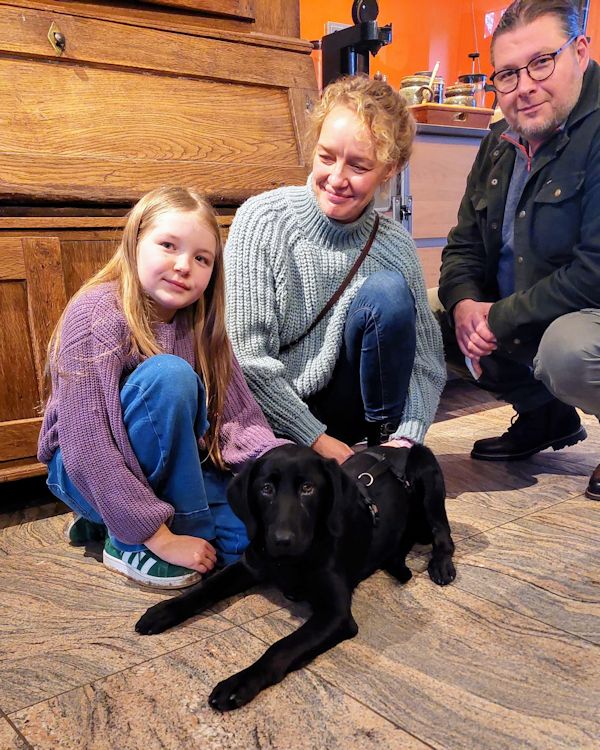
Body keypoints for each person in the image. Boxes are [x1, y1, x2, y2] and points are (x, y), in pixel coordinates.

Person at [38, 187, 288, 589]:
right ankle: (125, 537)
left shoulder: (204, 326)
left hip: (167, 466)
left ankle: (112, 518)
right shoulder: (96, 314)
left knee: (246, 541)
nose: (184, 265)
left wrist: (285, 465)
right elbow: (87, 445)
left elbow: (239, 421)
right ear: (134, 243)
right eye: (168, 245)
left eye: (202, 258)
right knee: (170, 376)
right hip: (82, 469)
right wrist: (159, 537)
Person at [224, 75, 446, 463]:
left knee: (389, 292)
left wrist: (407, 439)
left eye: (358, 166)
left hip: (350, 410)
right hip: (273, 413)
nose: (337, 179)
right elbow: (247, 359)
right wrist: (314, 438)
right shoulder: (261, 219)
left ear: (390, 169)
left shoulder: (395, 244)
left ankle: (382, 451)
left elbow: (426, 360)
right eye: (326, 157)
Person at [437, 0, 600, 501]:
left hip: (586, 314)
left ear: (580, 51)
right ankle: (544, 415)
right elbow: (462, 245)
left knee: (569, 351)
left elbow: (595, 272)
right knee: (430, 320)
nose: (524, 86)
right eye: (508, 74)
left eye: (541, 63)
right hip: (534, 311)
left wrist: (498, 317)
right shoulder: (499, 142)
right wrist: (465, 306)